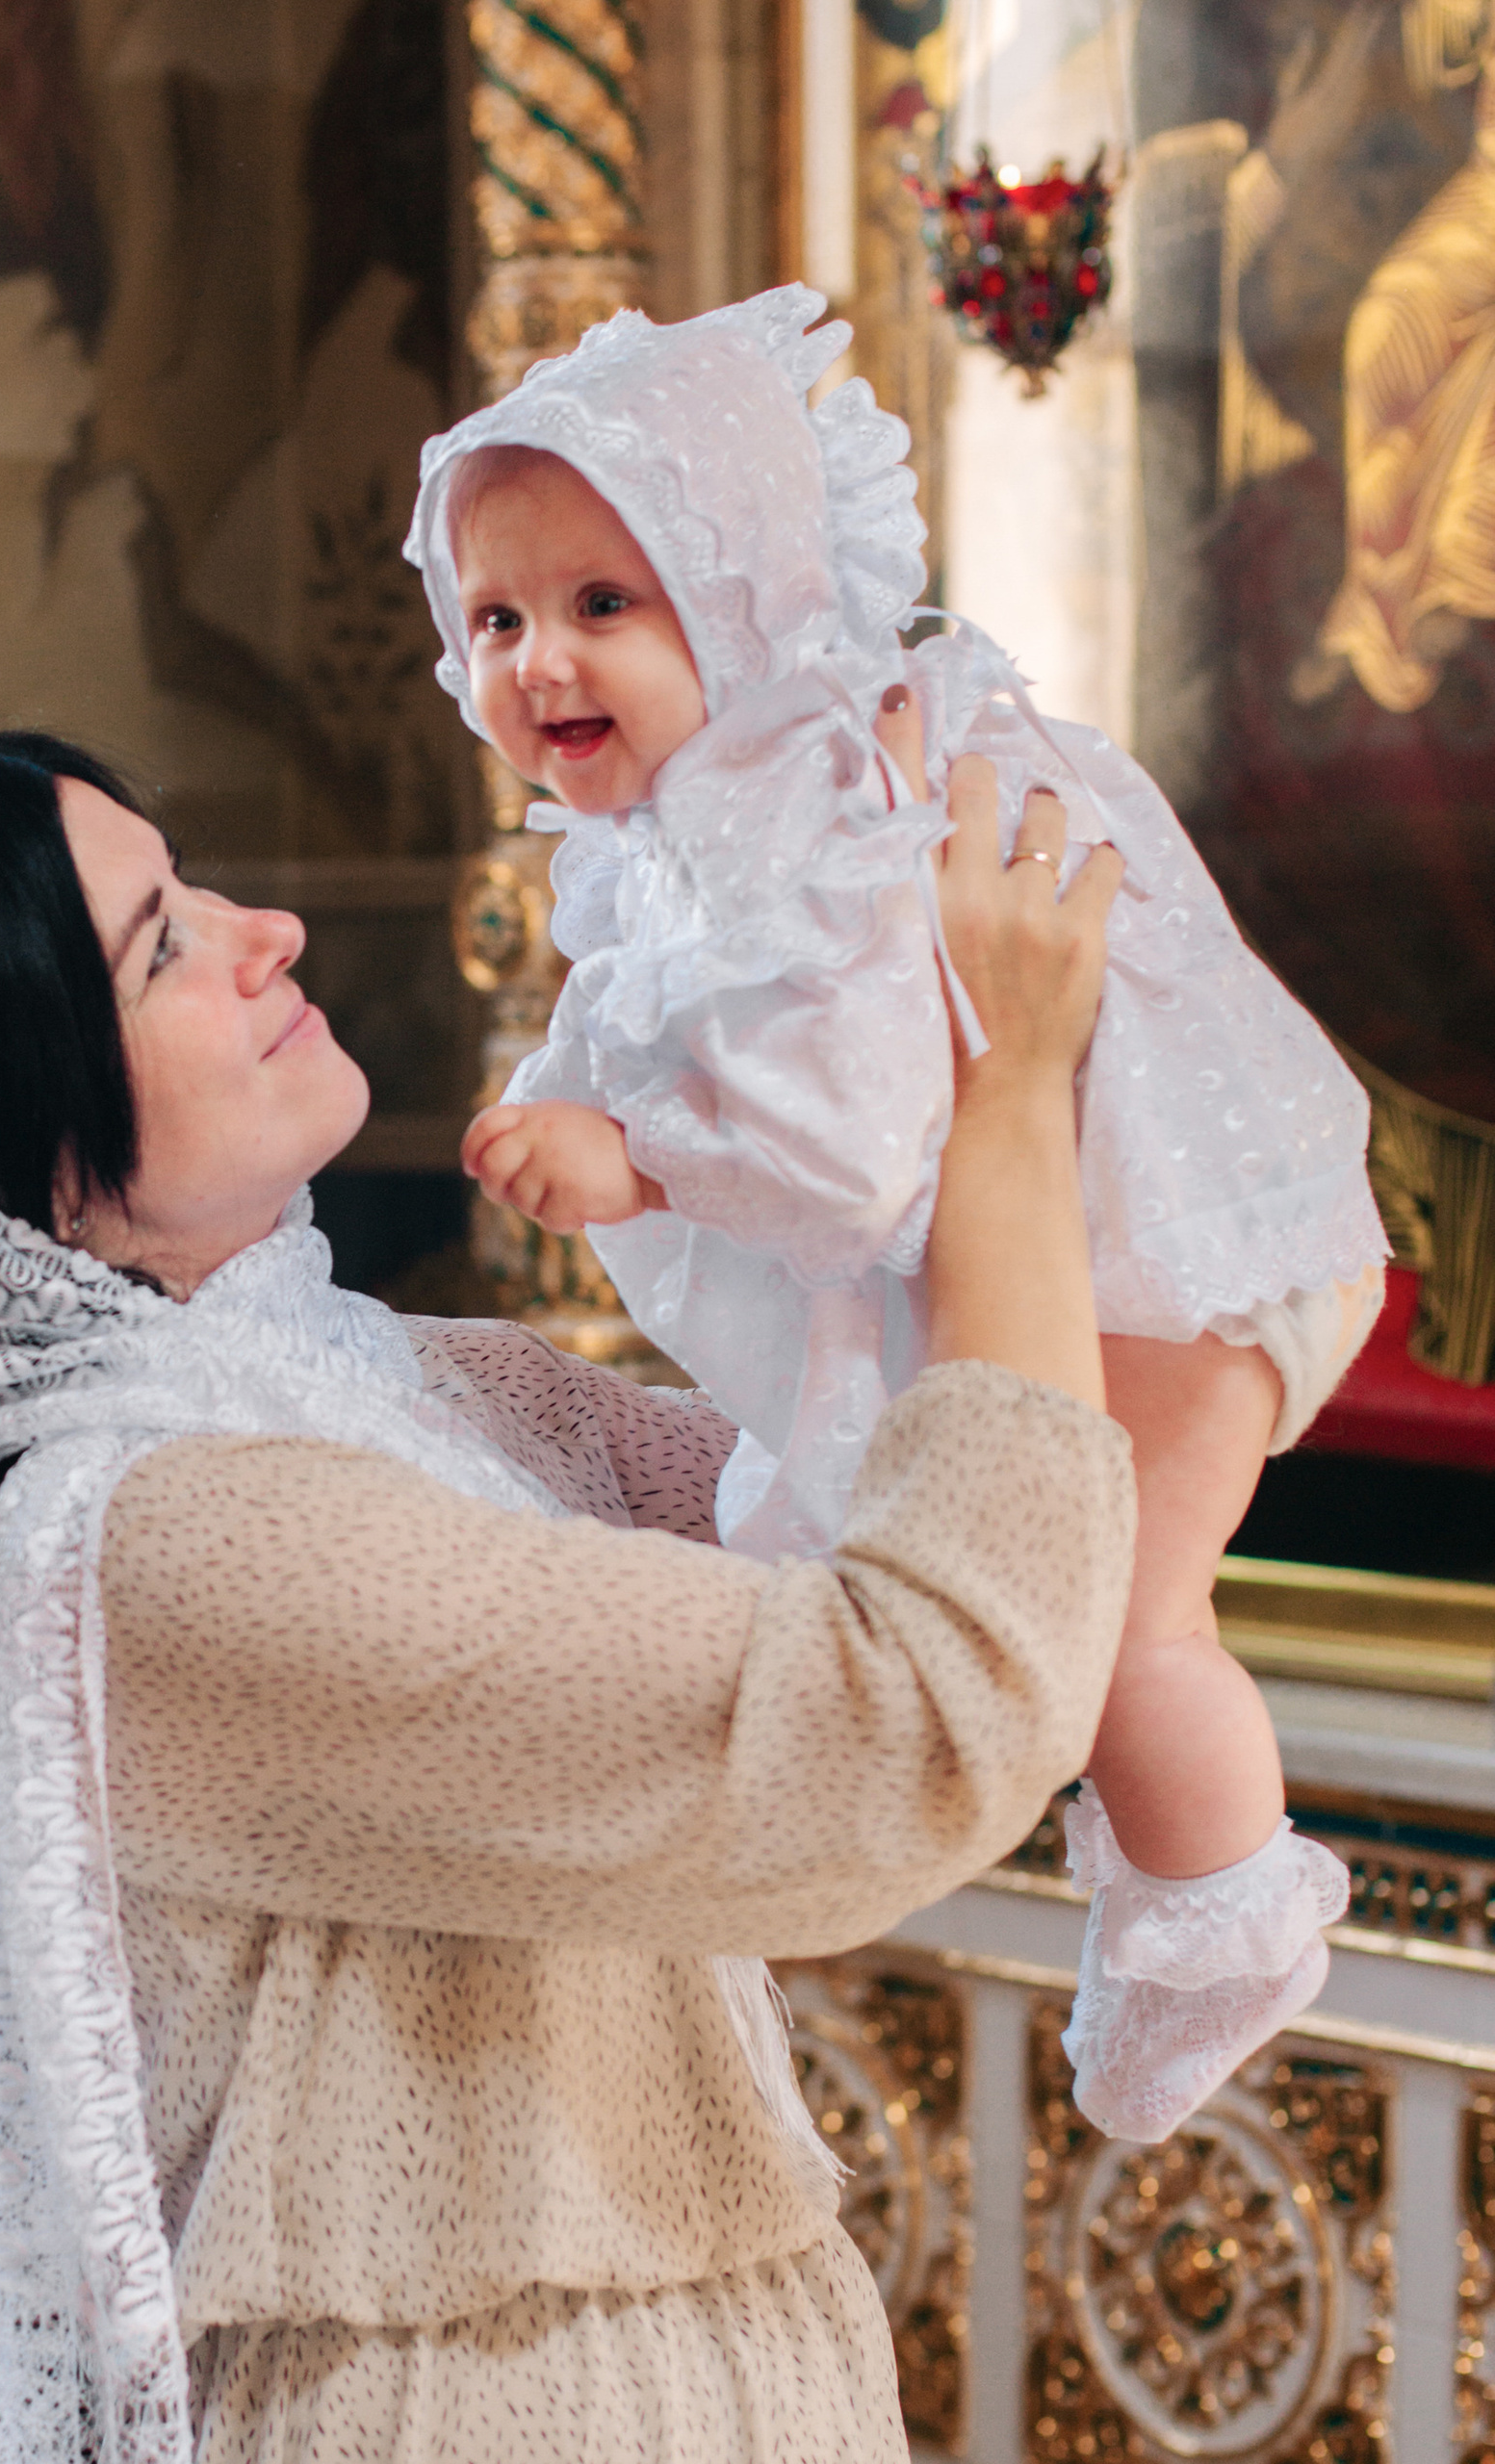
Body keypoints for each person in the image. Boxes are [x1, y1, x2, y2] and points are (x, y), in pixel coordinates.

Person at [0, 724, 1138, 2463]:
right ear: (37, 1182)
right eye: (164, 945)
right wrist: (1008, 1104)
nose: (267, 931)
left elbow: (868, 1499)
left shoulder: (421, 1388)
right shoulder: (169, 1540)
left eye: (193, 881)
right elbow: (897, 1719)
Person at [404, 287, 1384, 2145]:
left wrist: (645, 1158)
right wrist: (571, 1093)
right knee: (938, 1589)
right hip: (1093, 1242)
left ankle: (1222, 1919)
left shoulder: (831, 787)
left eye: (607, 604)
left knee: (1119, 1627)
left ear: (752, 592)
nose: (541, 663)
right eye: (500, 617)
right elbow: (648, 1023)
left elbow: (855, 1144)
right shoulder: (685, 828)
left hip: (1178, 1245)